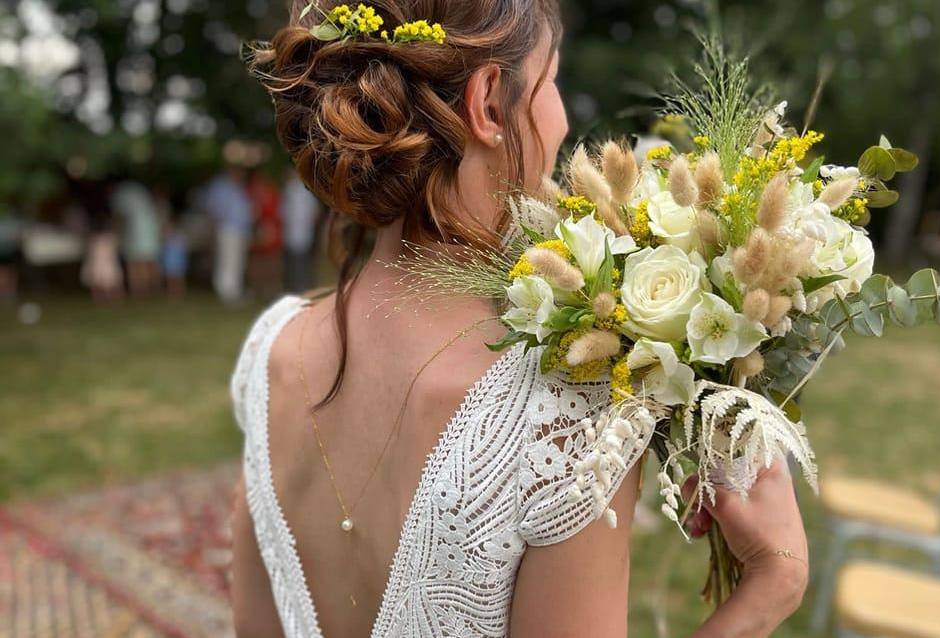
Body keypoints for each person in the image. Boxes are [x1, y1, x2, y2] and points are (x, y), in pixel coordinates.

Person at [230, 3, 808, 638]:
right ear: (487, 104)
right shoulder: (562, 415)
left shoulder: (269, 355)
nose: (561, 117)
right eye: (551, 78)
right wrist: (770, 587)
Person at [206, 168, 253, 304]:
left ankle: (234, 290)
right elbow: (214, 207)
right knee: (228, 259)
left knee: (237, 261)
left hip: (239, 230)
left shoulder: (237, 187)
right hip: (228, 228)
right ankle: (227, 292)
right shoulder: (221, 186)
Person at [111, 180, 161, 297]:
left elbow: (119, 217)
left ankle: (138, 290)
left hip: (134, 232)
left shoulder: (120, 193)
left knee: (134, 263)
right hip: (150, 228)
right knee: (149, 260)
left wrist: (116, 231)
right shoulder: (140, 190)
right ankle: (154, 287)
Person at [279, 171, 322, 292]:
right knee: (297, 260)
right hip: (295, 231)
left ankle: (300, 285)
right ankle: (297, 285)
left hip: (300, 231)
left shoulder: (296, 191)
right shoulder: (292, 190)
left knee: (299, 260)